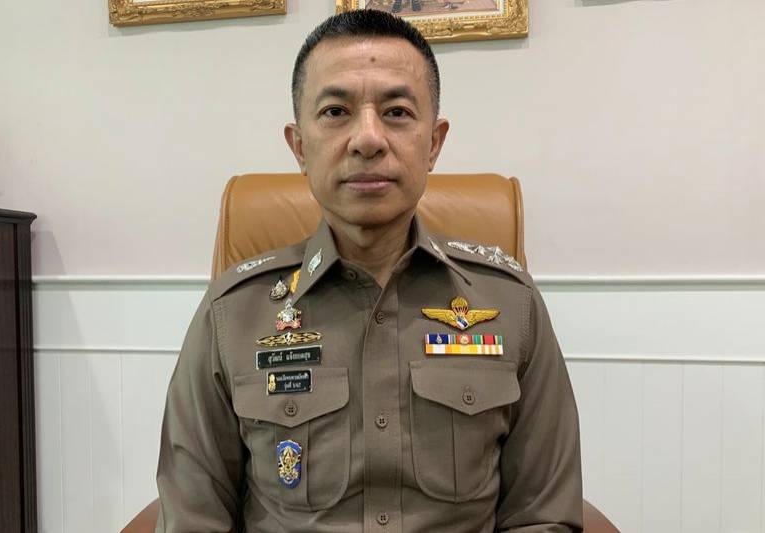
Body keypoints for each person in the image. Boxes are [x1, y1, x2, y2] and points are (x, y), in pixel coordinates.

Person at [156, 9, 582, 533]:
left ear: (434, 143)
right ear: (299, 147)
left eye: (397, 112)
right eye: (336, 111)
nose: (368, 139)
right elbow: (193, 515)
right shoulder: (233, 313)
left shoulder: (510, 304)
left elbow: (543, 515)